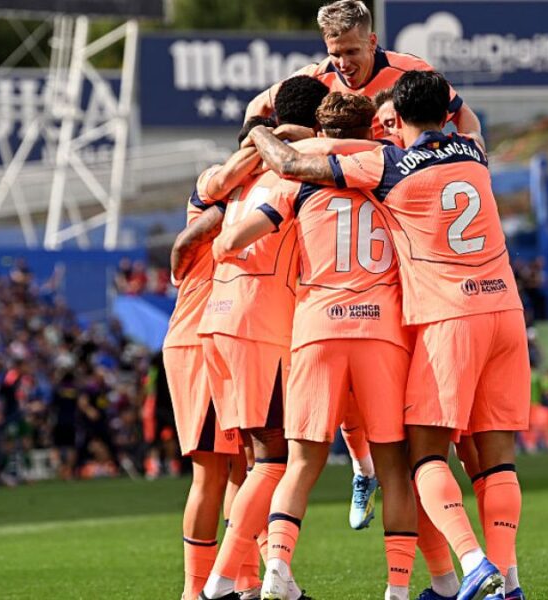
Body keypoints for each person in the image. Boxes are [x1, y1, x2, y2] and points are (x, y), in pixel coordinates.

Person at [248, 70, 529, 600]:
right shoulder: (475, 151)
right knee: (497, 461)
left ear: (396, 119)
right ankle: (507, 585)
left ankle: (472, 564)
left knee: (424, 457)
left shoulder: (388, 164)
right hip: (507, 311)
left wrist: (260, 129)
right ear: (447, 114)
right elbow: (465, 118)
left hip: (448, 318)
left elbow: (290, 166)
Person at [215, 93, 418, 600]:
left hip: (318, 328)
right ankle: (397, 589)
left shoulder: (298, 178)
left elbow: (232, 241)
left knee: (300, 464)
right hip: (380, 331)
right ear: (370, 127)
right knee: (394, 467)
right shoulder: (391, 168)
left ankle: (276, 570)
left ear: (319, 131)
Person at [197, 75, 331, 600]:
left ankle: (267, 583)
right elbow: (230, 239)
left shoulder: (245, 168)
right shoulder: (290, 171)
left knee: (255, 463)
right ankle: (219, 584)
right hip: (258, 323)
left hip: (220, 320)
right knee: (275, 457)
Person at [165, 126, 271, 600]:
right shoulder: (217, 188)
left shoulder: (265, 201)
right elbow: (187, 241)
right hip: (198, 338)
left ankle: (246, 582)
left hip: (231, 337)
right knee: (211, 470)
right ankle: (195, 591)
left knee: (242, 468)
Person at [245, 0, 483, 147]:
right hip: (337, 182)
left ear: (372, 41)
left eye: (352, 51)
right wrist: (251, 146)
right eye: (335, 54)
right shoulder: (313, 79)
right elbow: (257, 105)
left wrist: (473, 148)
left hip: (396, 181)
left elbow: (462, 113)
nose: (343, 63)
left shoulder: (409, 71)